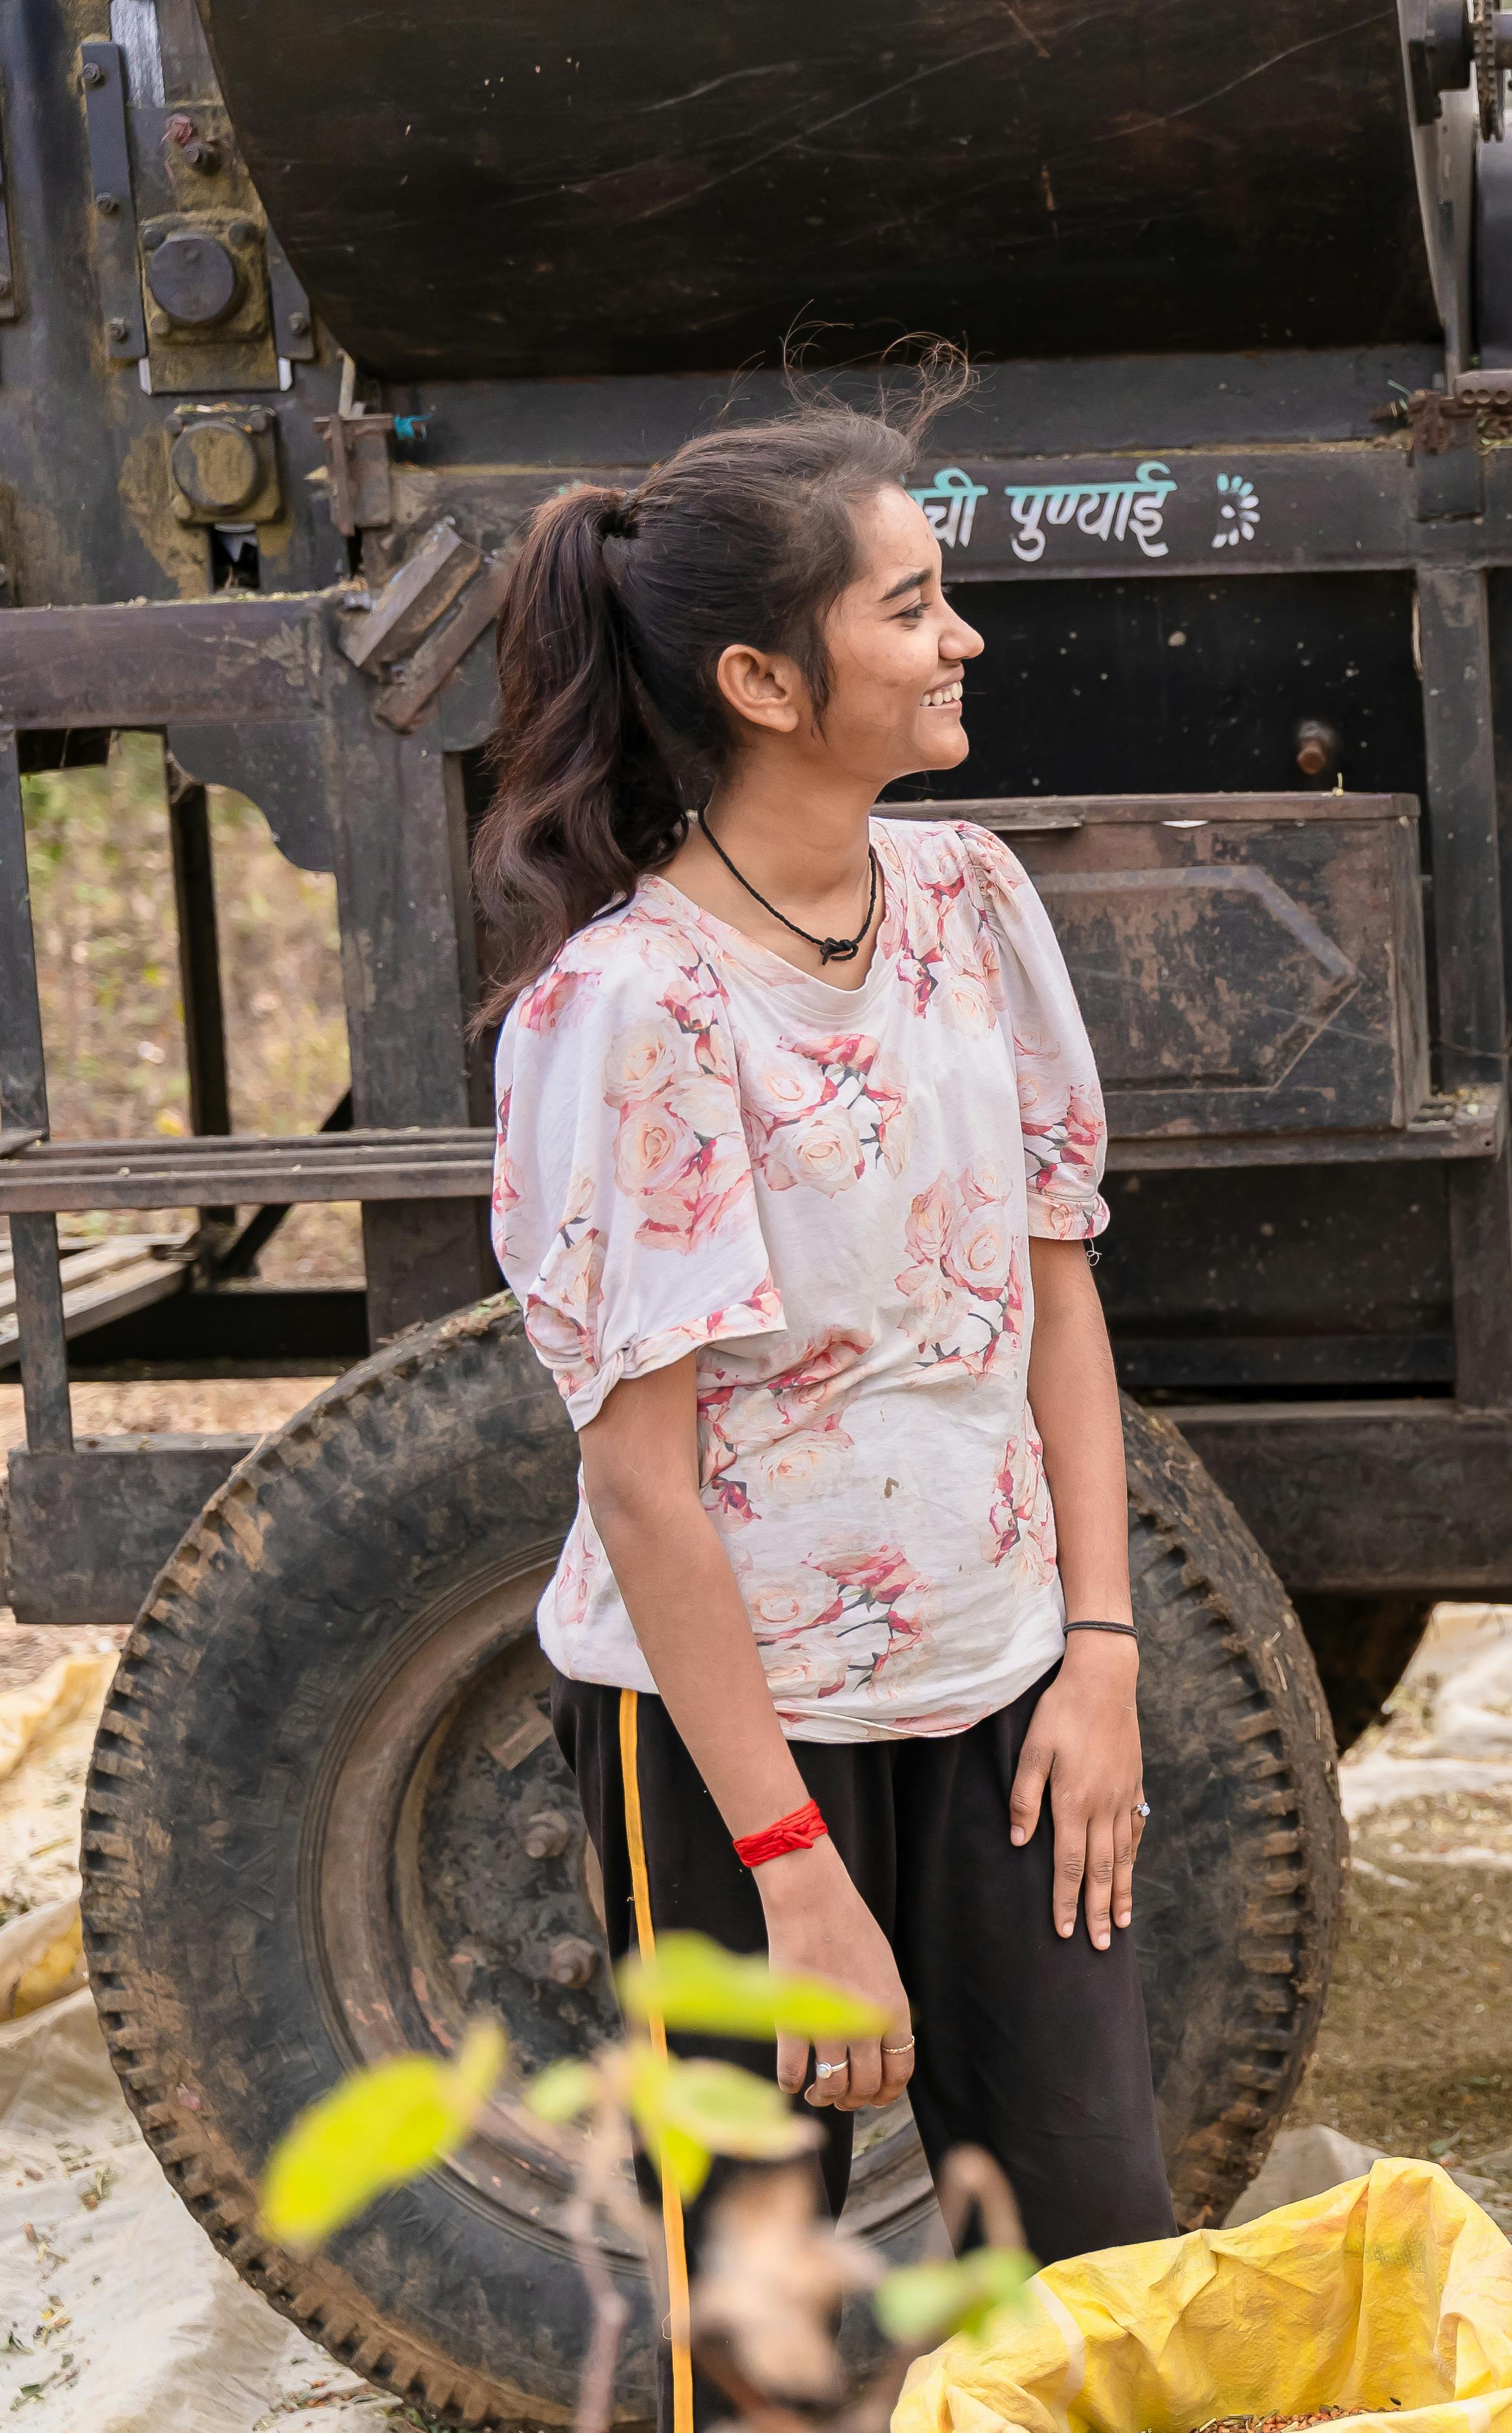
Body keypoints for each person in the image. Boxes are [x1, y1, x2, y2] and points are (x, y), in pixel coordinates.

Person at [473, 398, 1164, 2407]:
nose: (964, 641)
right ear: (765, 681)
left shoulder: (968, 902)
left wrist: (1100, 1652)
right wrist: (791, 1870)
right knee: (766, 2329)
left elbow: (1058, 1300)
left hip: (1008, 1683)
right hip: (728, 1749)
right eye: (915, 606)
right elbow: (643, 1480)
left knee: (1089, 2252)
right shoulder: (630, 1012)